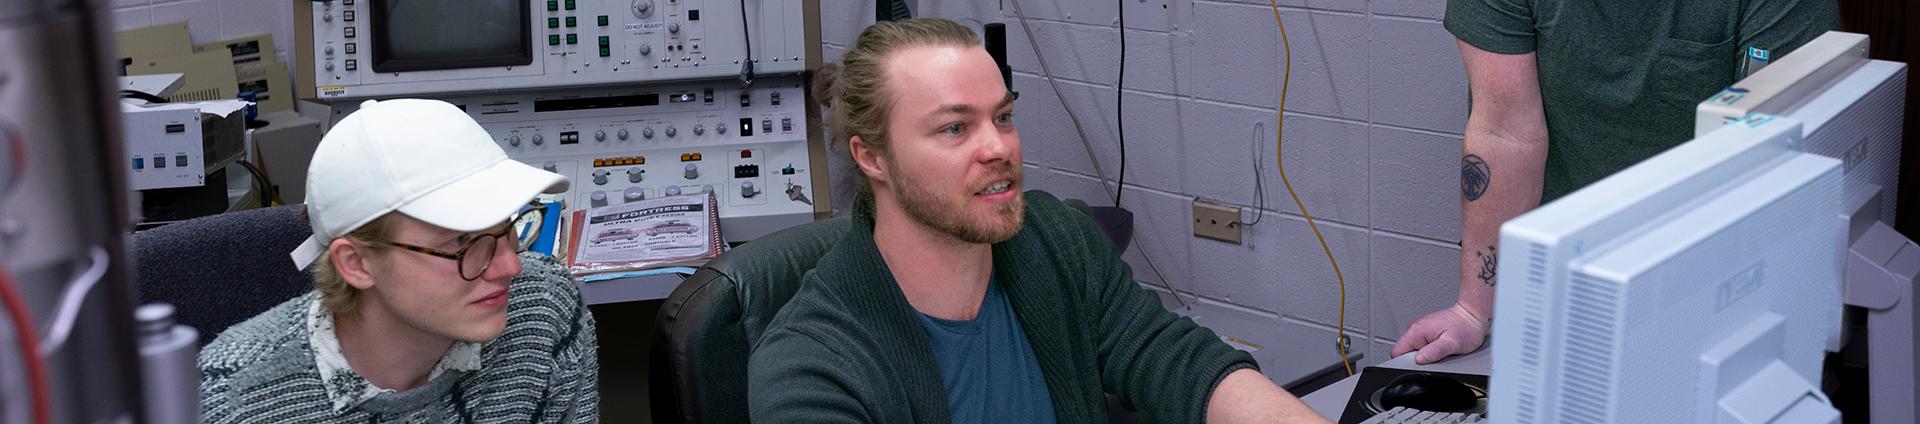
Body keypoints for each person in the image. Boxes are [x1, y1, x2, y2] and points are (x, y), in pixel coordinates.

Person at [748, 18, 1329, 423]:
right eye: (955, 128)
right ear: (871, 157)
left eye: (1003, 117)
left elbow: (1174, 360)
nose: (998, 147)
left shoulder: (1053, 242)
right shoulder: (811, 366)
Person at [1393, 0, 1839, 364]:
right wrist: (1474, 310)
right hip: (1566, 292)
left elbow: (1772, 158)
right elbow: (1505, 133)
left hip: (1716, 295)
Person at [197, 99, 599, 422]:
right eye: (461, 241)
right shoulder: (234, 400)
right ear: (356, 264)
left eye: (506, 228)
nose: (510, 267)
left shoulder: (545, 307)